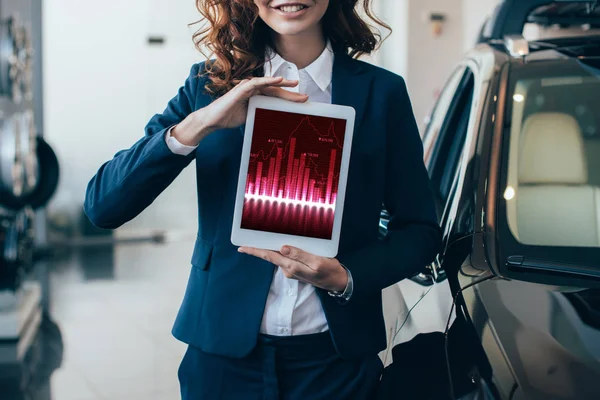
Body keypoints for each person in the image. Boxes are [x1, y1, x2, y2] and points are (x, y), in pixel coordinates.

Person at [84, 0, 441, 399]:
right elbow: (103, 205)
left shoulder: (381, 92)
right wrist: (200, 124)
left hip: (336, 366)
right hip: (222, 359)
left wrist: (347, 276)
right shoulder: (209, 86)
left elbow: (420, 231)